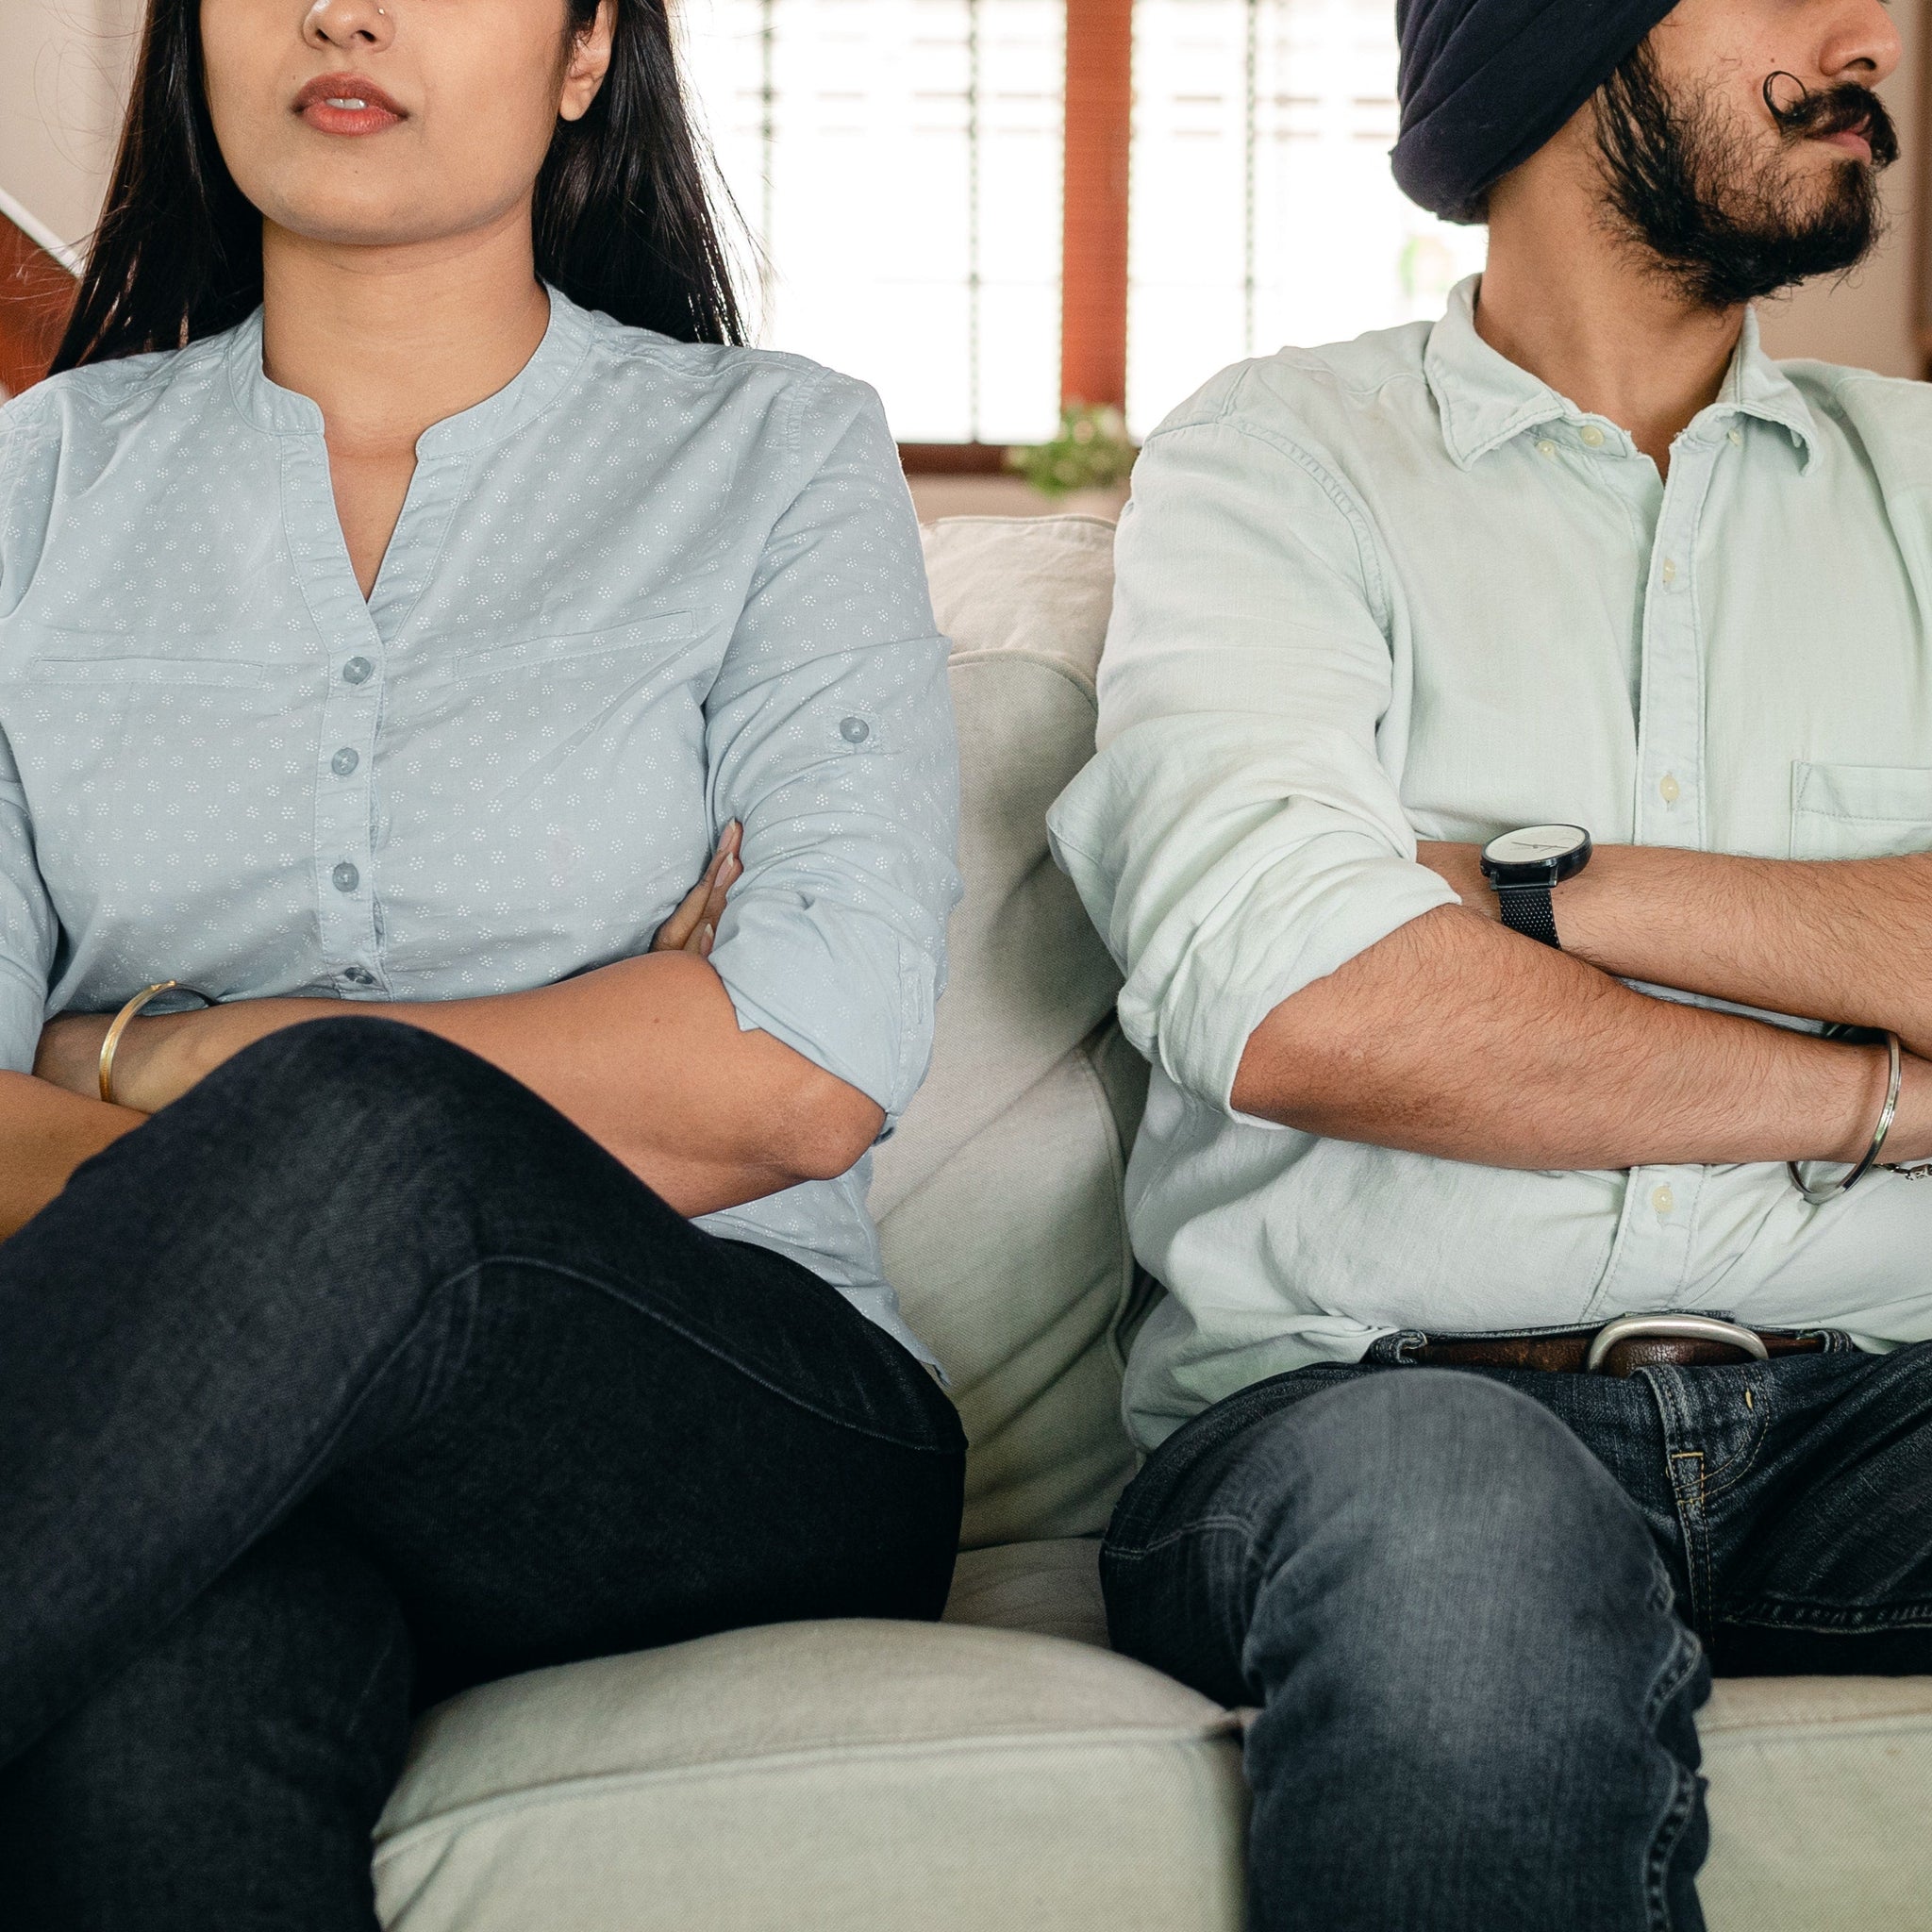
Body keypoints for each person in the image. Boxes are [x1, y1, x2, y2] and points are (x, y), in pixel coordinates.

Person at [0, 0, 968, 1924]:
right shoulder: (35, 485)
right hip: (202, 1458)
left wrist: (157, 1058)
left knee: (364, 1132)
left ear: (591, 47)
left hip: (718, 1413)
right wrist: (370, 1157)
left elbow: (793, 1065)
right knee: (148, 1728)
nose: (343, 11)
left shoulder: (776, 455)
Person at [1048, 0, 1932, 1925]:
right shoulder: (1278, 462)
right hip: (1375, 1412)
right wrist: (1878, 1092)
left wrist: (1534, 886)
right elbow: (1306, 997)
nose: (1868, 31)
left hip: (1875, 1409)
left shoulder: (1921, 482)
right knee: (1464, 1539)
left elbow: (1389, 948)